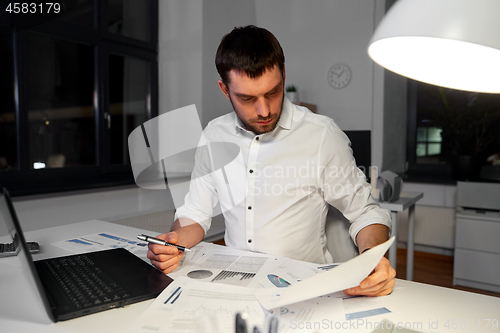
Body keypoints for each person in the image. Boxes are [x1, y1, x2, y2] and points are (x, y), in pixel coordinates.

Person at [147, 25, 395, 297]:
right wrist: (173, 243)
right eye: (247, 98)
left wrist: (373, 259)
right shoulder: (214, 135)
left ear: (283, 76)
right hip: (234, 284)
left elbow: (366, 212)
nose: (264, 110)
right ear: (224, 89)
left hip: (305, 288)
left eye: (273, 92)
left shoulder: (322, 134)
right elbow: (194, 213)